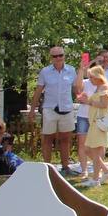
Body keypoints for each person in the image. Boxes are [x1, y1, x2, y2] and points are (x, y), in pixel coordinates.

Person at [29, 46, 83, 175]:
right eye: (55, 56)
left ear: (64, 56)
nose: (58, 58)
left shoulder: (71, 70)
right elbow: (38, 91)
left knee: (66, 139)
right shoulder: (45, 71)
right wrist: (32, 110)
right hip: (50, 108)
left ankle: (65, 167)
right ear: (51, 58)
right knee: (48, 139)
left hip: (67, 108)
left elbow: (77, 90)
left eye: (60, 55)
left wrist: (82, 71)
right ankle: (48, 168)